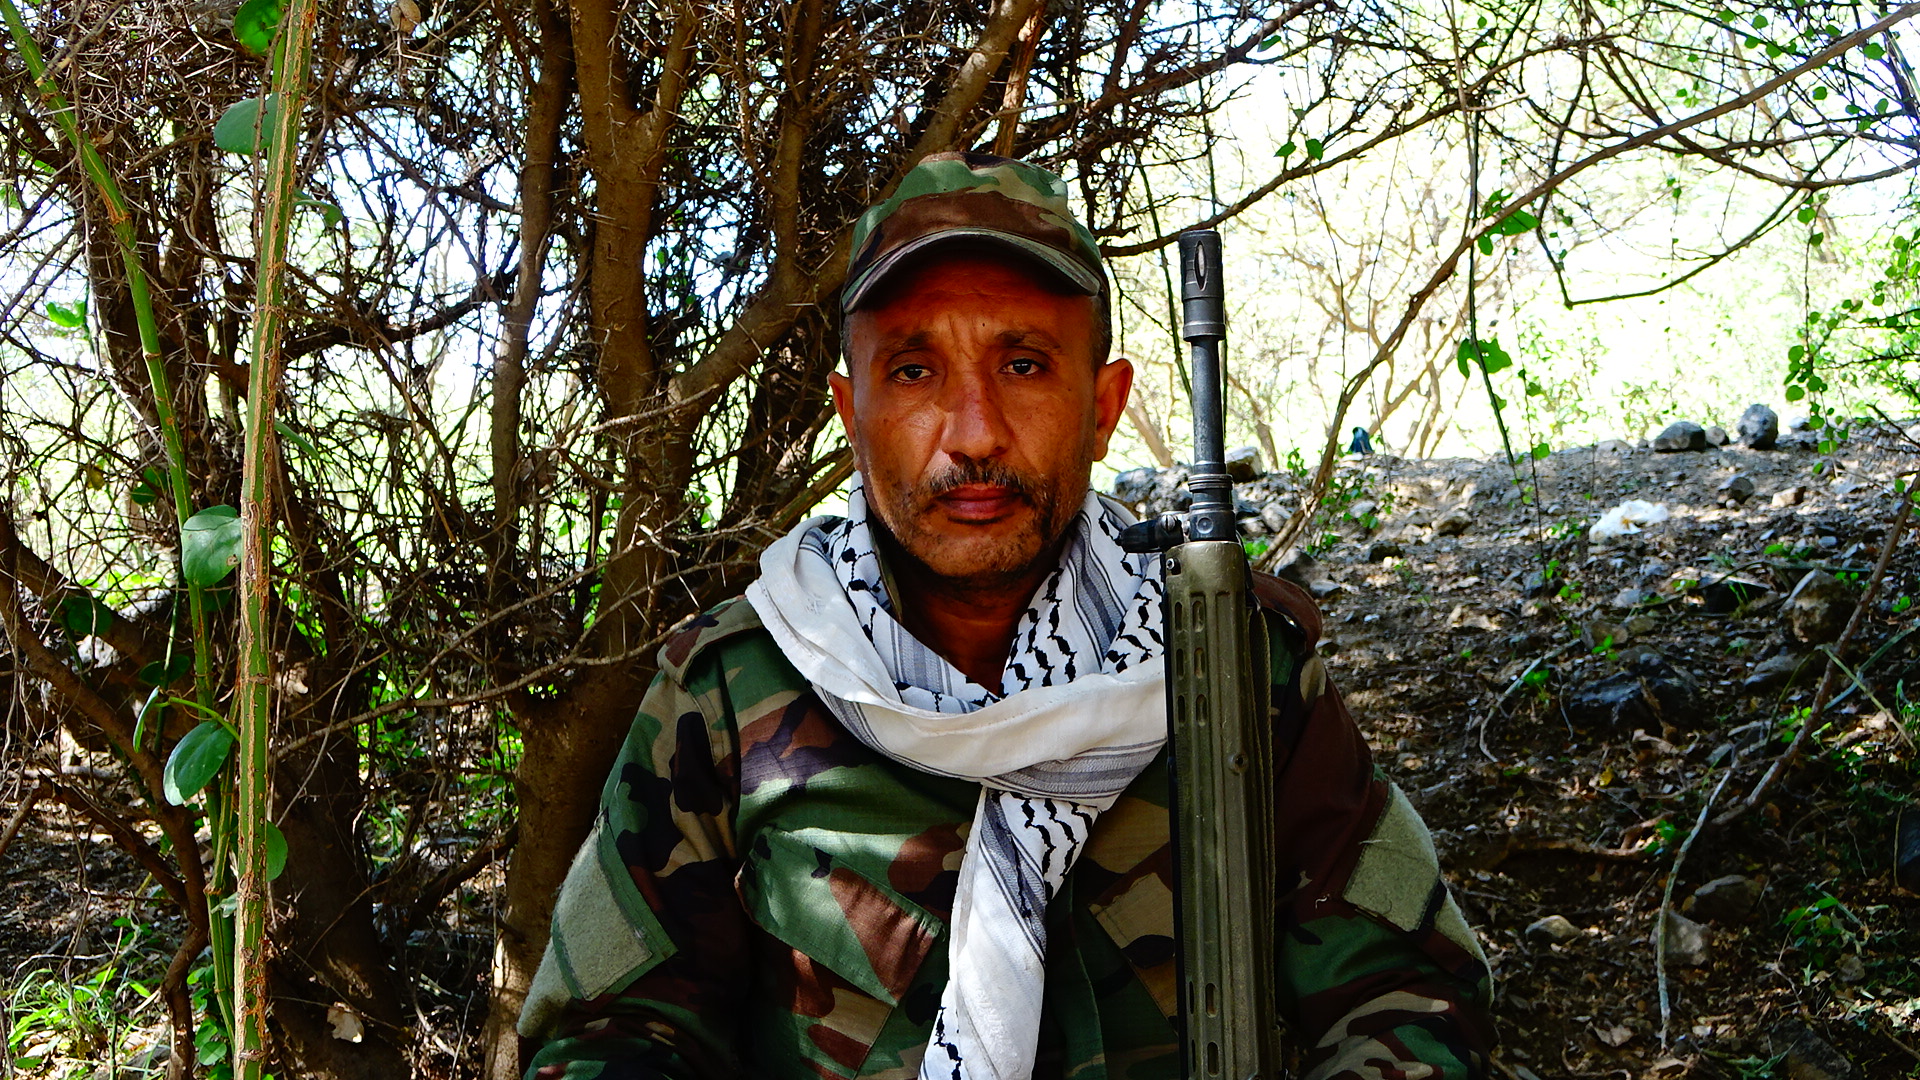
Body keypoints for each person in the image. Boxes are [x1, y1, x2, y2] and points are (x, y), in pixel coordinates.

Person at [518, 152, 1495, 1080]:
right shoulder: (734, 684)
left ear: (1103, 407)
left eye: (1023, 365)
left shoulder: (1229, 662)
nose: (975, 433)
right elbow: (613, 1033)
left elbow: (1404, 993)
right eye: (914, 371)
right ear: (852, 415)